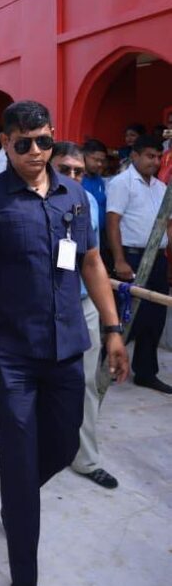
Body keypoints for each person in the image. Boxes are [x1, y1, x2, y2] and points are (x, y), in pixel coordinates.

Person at [0, 101, 128, 586]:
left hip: (67, 345)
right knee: (21, 456)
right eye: (23, 143)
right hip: (12, 350)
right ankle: (24, 581)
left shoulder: (75, 196)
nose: (35, 152)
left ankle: (17, 496)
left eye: (43, 141)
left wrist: (113, 329)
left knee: (64, 444)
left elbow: (92, 263)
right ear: (5, 143)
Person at [46, 143, 118, 490]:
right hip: (39, 307)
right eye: (65, 169)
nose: (73, 177)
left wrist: (111, 323)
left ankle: (85, 458)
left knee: (86, 382)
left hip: (82, 303)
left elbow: (93, 261)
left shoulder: (86, 202)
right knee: (32, 381)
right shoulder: (26, 198)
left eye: (79, 171)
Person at [106, 134, 172, 393]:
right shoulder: (122, 183)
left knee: (154, 318)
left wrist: (168, 263)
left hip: (156, 258)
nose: (154, 162)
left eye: (158, 157)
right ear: (134, 156)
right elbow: (113, 222)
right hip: (131, 257)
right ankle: (107, 366)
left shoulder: (160, 187)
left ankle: (146, 372)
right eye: (149, 156)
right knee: (126, 317)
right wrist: (120, 259)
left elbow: (168, 225)